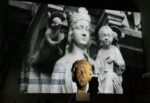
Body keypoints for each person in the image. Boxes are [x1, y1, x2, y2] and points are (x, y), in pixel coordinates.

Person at [49, 7, 95, 93]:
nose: (84, 33)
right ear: (71, 32)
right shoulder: (61, 64)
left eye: (87, 29)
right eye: (79, 27)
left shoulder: (94, 64)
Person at [95, 25, 125, 94]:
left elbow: (122, 66)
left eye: (108, 36)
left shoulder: (115, 49)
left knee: (109, 75)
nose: (106, 38)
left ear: (112, 37)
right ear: (100, 38)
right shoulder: (100, 51)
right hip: (102, 76)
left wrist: (114, 59)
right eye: (104, 36)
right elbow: (97, 66)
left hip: (114, 76)